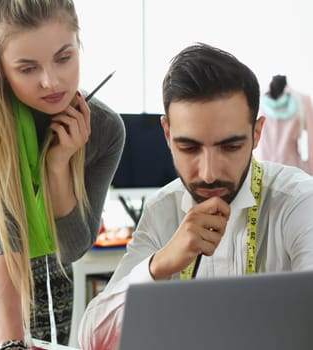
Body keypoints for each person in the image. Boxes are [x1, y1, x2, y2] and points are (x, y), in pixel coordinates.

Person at [78, 43, 313, 350]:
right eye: (189, 148)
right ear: (167, 133)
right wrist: (159, 265)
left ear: (257, 133)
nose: (209, 172)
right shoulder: (163, 210)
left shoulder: (298, 201)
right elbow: (90, 339)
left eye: (230, 147)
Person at [0, 0, 125, 348]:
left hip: (48, 272)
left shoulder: (106, 129)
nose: (51, 81)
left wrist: (58, 167)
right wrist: (11, 345)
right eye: (27, 68)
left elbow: (71, 248)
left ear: (78, 44)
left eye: (64, 58)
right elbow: (1, 225)